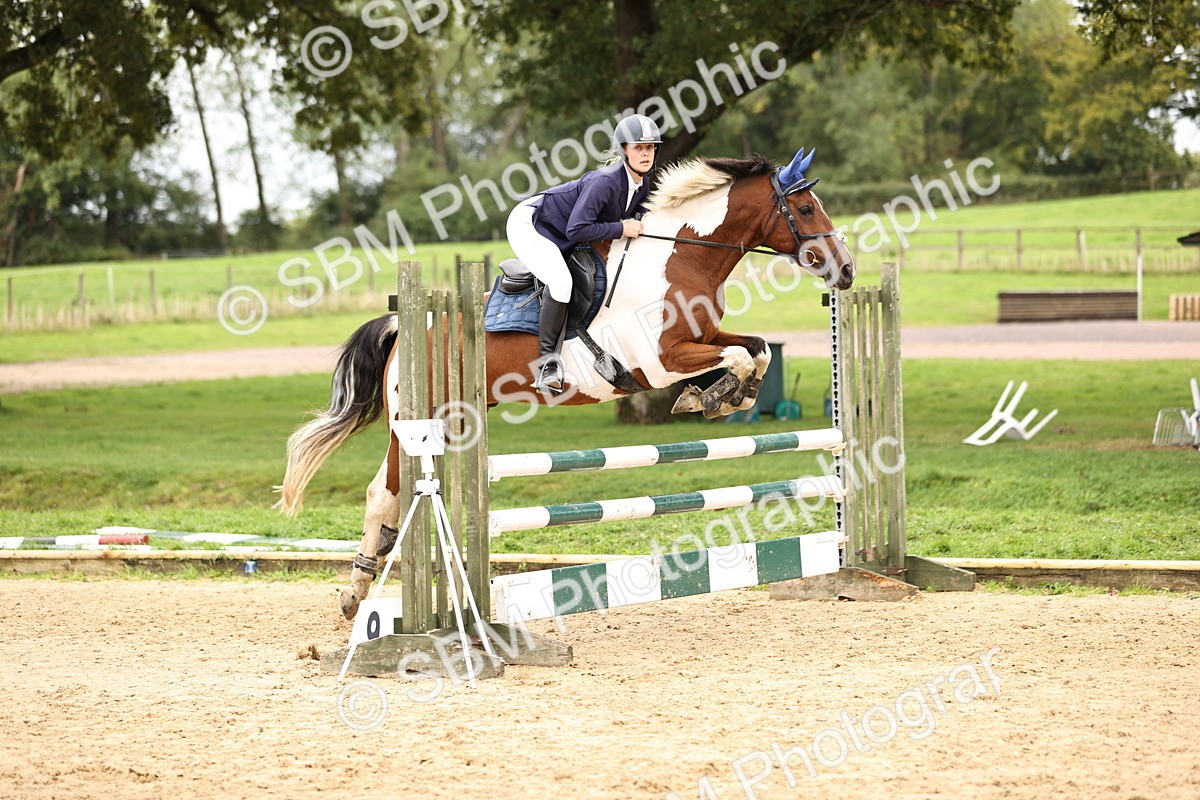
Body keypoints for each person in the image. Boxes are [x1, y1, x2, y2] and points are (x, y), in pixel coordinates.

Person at [506, 113, 661, 394]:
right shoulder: (606, 182)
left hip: (559, 230)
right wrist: (621, 227)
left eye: (650, 148)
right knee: (562, 282)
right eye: (639, 147)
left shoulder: (641, 184)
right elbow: (577, 230)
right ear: (623, 150)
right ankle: (547, 366)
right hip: (532, 224)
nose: (646, 154)